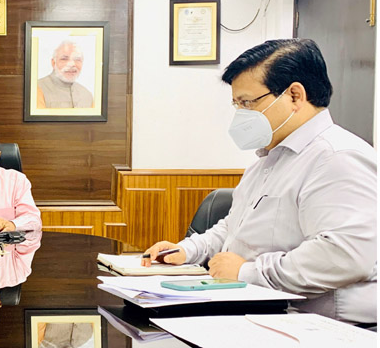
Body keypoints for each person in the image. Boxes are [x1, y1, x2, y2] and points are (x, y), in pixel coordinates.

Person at [141, 39, 376, 324]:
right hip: (263, 312)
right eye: (236, 104)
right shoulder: (268, 159)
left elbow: (344, 255)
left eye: (247, 102)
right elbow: (235, 227)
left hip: (323, 326)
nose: (241, 113)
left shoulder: (337, 156)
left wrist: (246, 273)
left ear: (294, 96)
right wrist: (188, 250)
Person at [37, 40, 93, 109]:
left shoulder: (87, 95)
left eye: (77, 59)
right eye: (64, 59)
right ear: (53, 63)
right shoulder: (37, 88)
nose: (72, 64)